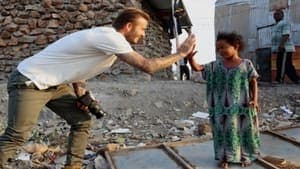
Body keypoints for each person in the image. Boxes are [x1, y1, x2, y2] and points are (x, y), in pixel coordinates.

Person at [0, 8, 196, 169]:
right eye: (142, 29)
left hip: (53, 84)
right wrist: (181, 53)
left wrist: (83, 96)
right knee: (17, 135)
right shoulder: (110, 37)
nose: (144, 35)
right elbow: (148, 66)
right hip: (30, 81)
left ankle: (73, 166)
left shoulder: (108, 43)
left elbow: (79, 73)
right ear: (128, 27)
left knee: (81, 120)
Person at [188, 32, 260, 169]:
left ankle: (245, 156)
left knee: (243, 131)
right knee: (223, 132)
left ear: (236, 46)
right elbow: (198, 68)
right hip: (221, 108)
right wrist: (190, 58)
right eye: (218, 48)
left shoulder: (246, 64)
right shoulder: (215, 66)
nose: (220, 51)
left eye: (223, 47)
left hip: (242, 106)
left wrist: (255, 100)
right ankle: (224, 158)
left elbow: (253, 82)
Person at [271, 9, 299, 83]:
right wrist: (274, 49)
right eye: (275, 14)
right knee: (287, 65)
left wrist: (281, 45)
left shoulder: (284, 23)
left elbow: (286, 34)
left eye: (278, 14)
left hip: (285, 48)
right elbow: (275, 38)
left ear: (282, 15)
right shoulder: (276, 25)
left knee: (282, 64)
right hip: (280, 48)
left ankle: (279, 79)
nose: (276, 15)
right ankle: (296, 79)